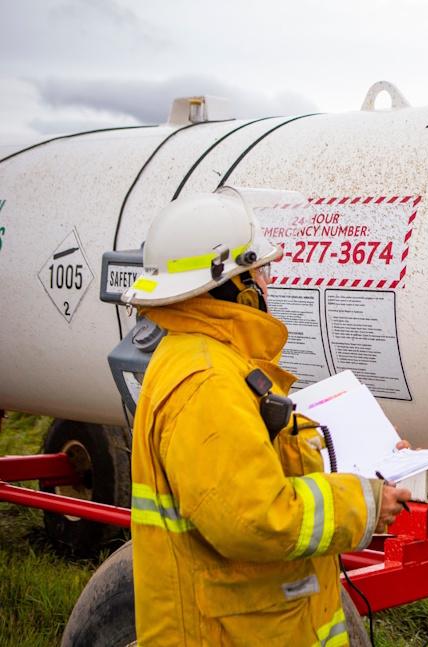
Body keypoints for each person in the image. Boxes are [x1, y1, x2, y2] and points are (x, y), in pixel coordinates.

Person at [122, 187, 411, 646]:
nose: (268, 282)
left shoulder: (214, 358)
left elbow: (254, 464)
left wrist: (361, 454)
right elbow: (255, 517)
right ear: (235, 283)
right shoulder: (206, 380)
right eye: (261, 269)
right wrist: (366, 503)